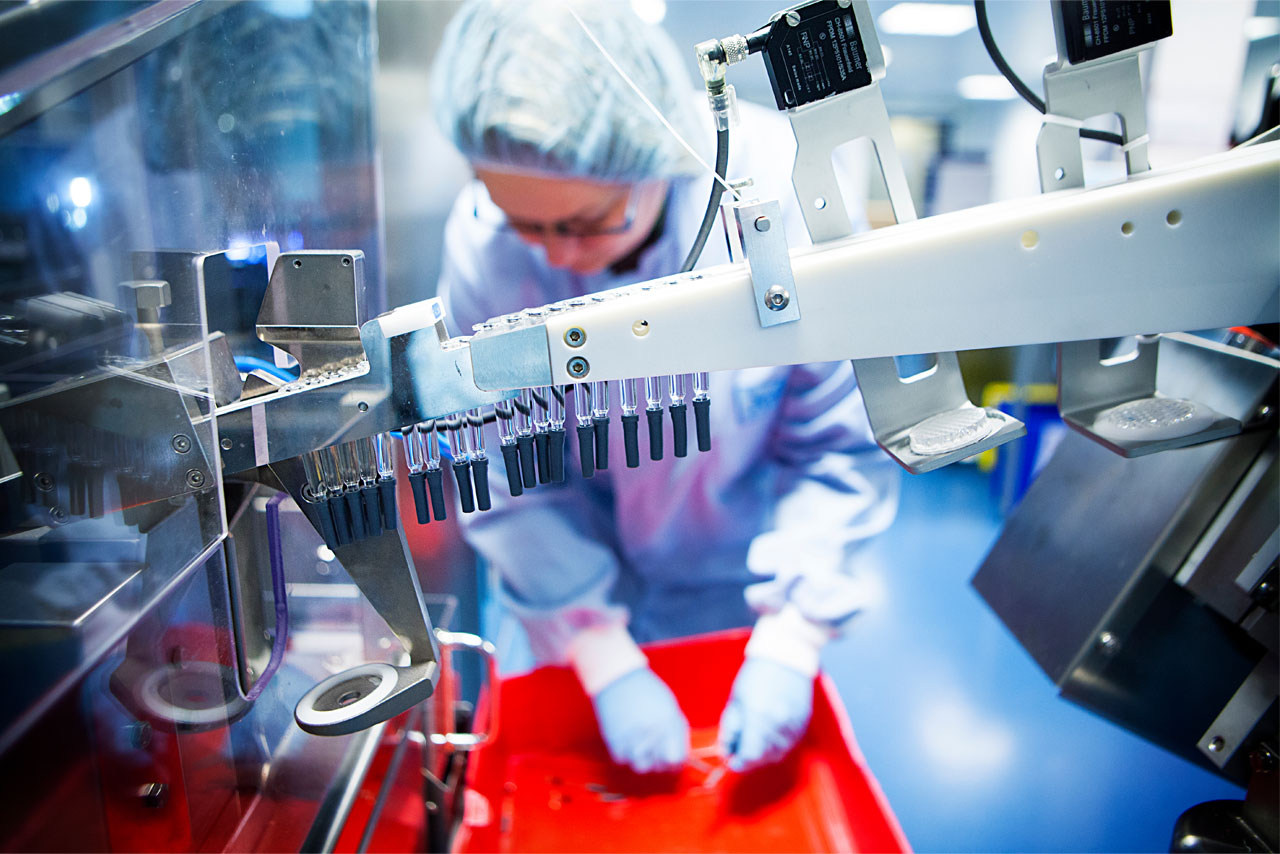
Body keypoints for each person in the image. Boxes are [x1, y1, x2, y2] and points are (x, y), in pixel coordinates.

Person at [430, 0, 898, 775]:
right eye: (528, 227)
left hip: (746, 590)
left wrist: (791, 638)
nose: (559, 256)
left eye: (586, 222)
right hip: (567, 596)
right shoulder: (484, 240)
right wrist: (600, 653)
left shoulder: (776, 197)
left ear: (659, 155)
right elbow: (499, 465)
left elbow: (840, 443)